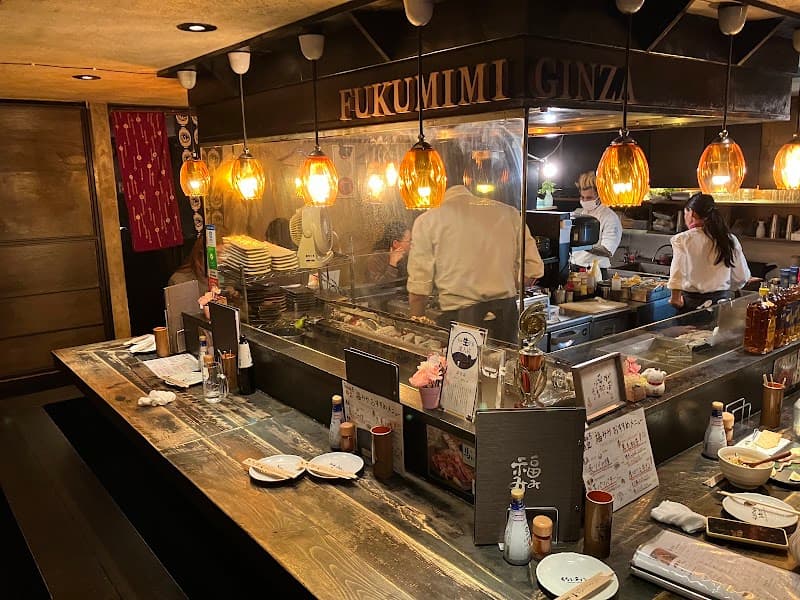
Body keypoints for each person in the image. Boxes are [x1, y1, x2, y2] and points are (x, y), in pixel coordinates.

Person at [406, 184, 544, 343]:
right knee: (505, 366)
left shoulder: (428, 220)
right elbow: (533, 268)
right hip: (506, 320)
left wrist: (416, 332)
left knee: (460, 366)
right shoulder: (509, 213)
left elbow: (418, 291)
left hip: (461, 323)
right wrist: (502, 286)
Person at [668, 193, 750, 312]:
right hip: (722, 305)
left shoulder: (683, 239)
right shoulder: (729, 239)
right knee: (719, 331)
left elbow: (677, 272)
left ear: (692, 213)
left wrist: (675, 299)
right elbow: (741, 277)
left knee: (693, 332)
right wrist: (722, 289)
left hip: (692, 306)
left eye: (685, 212)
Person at [570, 171, 622, 278]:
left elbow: (607, 251)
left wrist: (582, 244)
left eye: (589, 198)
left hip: (596, 272)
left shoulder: (610, 218)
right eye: (582, 197)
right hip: (576, 267)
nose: (584, 201)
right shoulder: (581, 213)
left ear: (599, 196)